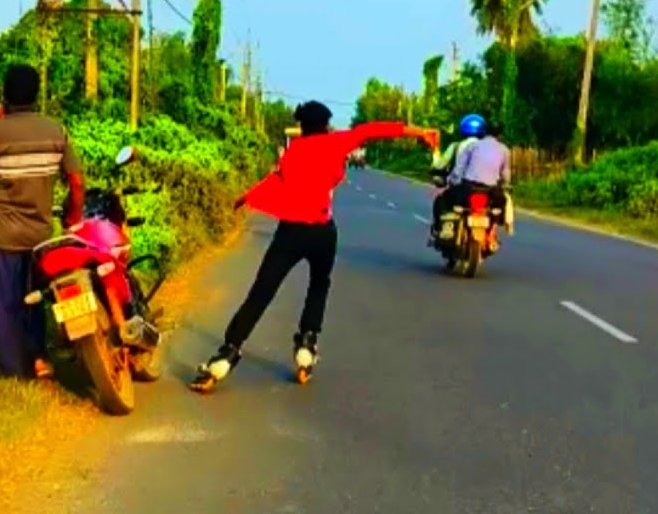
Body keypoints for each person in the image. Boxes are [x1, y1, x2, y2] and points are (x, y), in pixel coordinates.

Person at [188, 101, 438, 393]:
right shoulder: (337, 142)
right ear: (326, 124)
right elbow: (374, 130)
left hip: (290, 233)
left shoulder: (294, 151)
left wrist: (244, 197)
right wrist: (418, 132)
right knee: (319, 284)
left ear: (303, 127)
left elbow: (275, 181)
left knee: (262, 292)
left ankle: (227, 354)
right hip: (323, 232)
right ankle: (307, 343)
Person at [0, 64, 84, 380]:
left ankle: (15, 368)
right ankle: (39, 358)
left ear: (5, 95)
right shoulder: (57, 131)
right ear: (37, 94)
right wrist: (74, 216)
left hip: (1, 237)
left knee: (5, 304)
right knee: (35, 301)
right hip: (41, 237)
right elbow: (77, 180)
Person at [445, 120, 512, 244]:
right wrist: (507, 184)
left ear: (484, 132)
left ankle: (449, 228)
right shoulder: (504, 150)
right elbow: (506, 172)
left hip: (469, 186)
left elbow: (460, 168)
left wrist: (452, 180)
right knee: (500, 205)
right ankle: (492, 233)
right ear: (501, 135)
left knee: (449, 200)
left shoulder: (473, 146)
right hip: (491, 189)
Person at [429, 114, 485, 237]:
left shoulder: (456, 146)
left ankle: (444, 228)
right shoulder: (489, 148)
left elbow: (439, 165)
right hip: (485, 190)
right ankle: (491, 235)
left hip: (461, 188)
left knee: (441, 200)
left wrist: (435, 155)